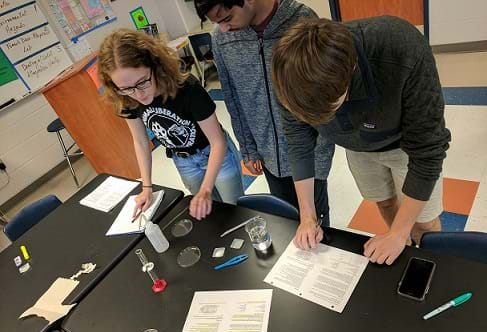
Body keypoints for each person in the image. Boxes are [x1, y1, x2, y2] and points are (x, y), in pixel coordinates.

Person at [271, 16, 451, 265]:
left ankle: (427, 261)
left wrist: (397, 233)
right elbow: (298, 142)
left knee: (425, 221)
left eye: (329, 110)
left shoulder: (399, 48)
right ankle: (404, 247)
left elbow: (428, 153)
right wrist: (308, 217)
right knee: (385, 204)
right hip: (359, 148)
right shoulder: (288, 75)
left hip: (406, 146)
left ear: (350, 74)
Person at [193, 0, 335, 226]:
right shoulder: (222, 38)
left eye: (227, 18)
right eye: (217, 22)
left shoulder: (302, 20)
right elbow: (233, 97)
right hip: (267, 154)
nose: (224, 28)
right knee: (285, 221)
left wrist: (321, 159)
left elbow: (325, 98)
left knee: (317, 223)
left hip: (309, 153)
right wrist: (248, 148)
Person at [98, 29, 244, 221]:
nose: (139, 94)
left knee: (235, 211)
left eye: (142, 82)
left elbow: (217, 142)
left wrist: (206, 189)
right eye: (126, 88)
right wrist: (146, 188)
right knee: (210, 217)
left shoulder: (186, 88)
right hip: (184, 161)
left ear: (154, 65)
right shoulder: (125, 98)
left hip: (214, 153)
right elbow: (141, 143)